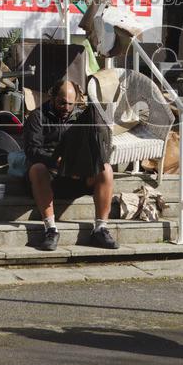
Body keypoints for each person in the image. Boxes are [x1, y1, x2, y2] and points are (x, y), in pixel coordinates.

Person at [23, 80, 118, 251]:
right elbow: (32, 150)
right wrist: (56, 160)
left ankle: (100, 229)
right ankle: (51, 230)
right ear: (53, 97)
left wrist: (86, 163)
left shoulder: (83, 117)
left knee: (106, 169)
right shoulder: (37, 116)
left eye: (70, 104)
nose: (66, 107)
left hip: (78, 176)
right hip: (51, 176)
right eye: (62, 103)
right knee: (37, 169)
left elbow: (101, 147)